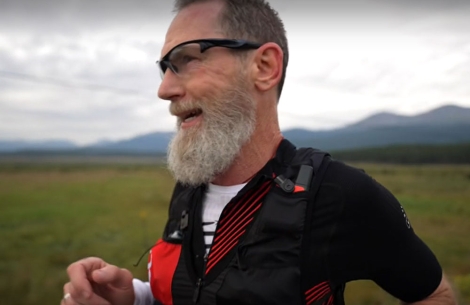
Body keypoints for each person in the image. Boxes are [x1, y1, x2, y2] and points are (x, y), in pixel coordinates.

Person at [61, 0, 457, 304]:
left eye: (186, 60)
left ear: (265, 66)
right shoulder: (190, 184)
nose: (164, 89)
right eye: (164, 67)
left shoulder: (338, 194)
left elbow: (433, 294)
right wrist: (135, 296)